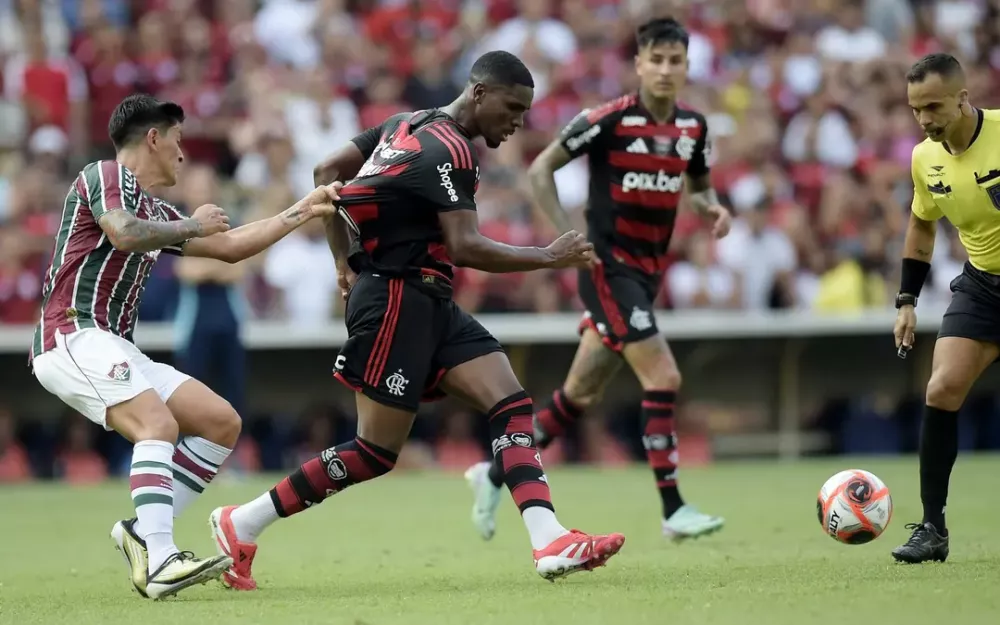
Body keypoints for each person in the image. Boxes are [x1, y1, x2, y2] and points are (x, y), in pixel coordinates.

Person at [208, 51, 625, 590]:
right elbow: (465, 245)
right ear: (478, 93)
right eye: (512, 106)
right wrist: (547, 256)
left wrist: (344, 259)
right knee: (374, 452)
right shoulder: (450, 149)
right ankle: (241, 522)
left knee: (510, 401)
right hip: (395, 299)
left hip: (426, 296)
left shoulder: (407, 123)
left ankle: (549, 539)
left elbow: (326, 173)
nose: (518, 120)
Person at [28, 94, 341, 600]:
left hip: (111, 343)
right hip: (70, 333)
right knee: (159, 426)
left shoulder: (153, 208)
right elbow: (124, 233)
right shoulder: (104, 176)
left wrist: (302, 210)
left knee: (220, 423)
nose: (181, 153)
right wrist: (193, 223)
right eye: (177, 140)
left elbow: (232, 246)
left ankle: (141, 532)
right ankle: (160, 560)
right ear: (153, 137)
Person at [464, 17, 730, 542]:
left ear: (686, 67)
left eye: (675, 61)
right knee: (664, 377)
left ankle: (493, 473)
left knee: (579, 394)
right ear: (638, 64)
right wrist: (567, 238)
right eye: (656, 59)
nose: (665, 69)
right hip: (608, 269)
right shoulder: (608, 120)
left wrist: (713, 208)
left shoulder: (693, 129)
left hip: (646, 275)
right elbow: (541, 169)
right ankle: (673, 509)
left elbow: (698, 188)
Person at [891, 53, 1000, 564]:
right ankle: (932, 527)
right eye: (916, 109)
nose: (924, 119)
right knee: (941, 388)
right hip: (983, 287)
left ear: (963, 97)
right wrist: (907, 299)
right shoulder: (923, 159)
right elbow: (922, 223)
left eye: (932, 106)